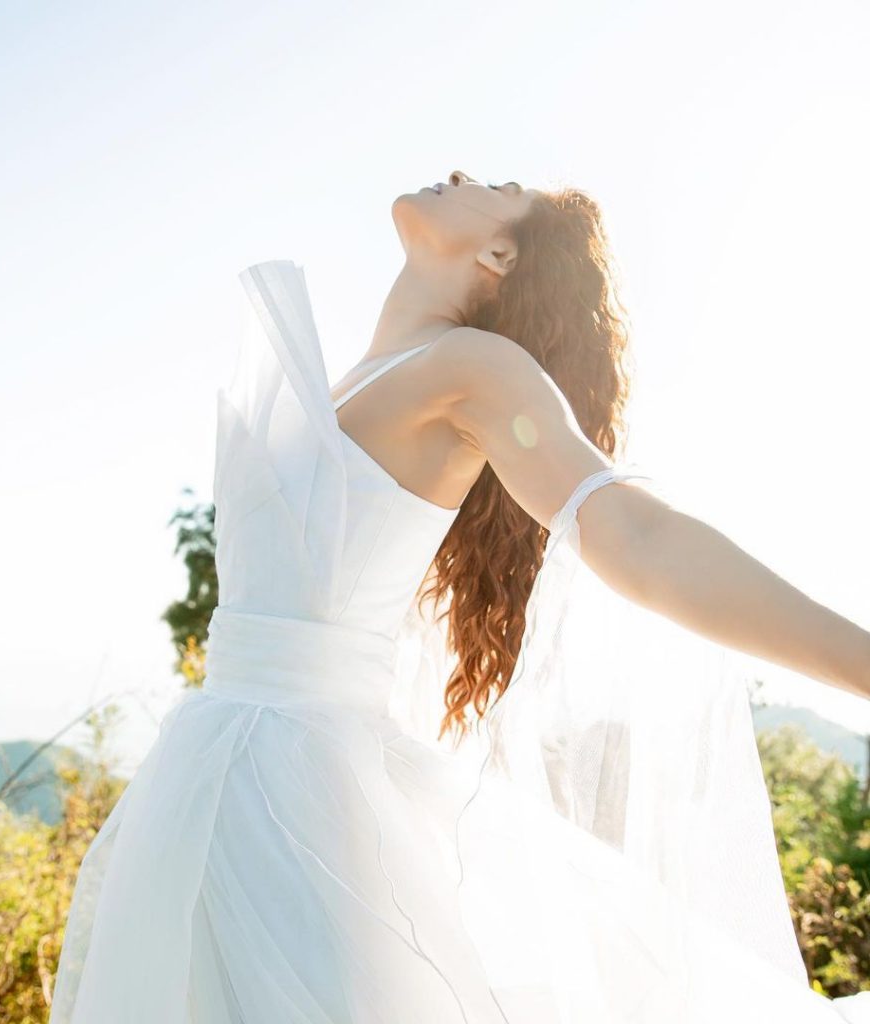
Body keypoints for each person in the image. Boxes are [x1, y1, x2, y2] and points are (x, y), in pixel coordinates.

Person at [47, 171, 870, 1022]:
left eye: (497, 187)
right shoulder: (337, 385)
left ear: (499, 252)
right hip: (212, 763)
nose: (464, 175)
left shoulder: (471, 367)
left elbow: (639, 539)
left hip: (305, 792)